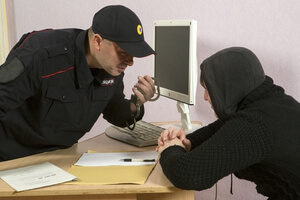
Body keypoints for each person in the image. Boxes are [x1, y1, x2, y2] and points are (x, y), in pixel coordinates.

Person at [0, 5, 156, 161]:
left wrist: (137, 103)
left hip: (59, 158)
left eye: (133, 55)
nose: (130, 63)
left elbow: (115, 112)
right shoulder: (41, 54)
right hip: (13, 159)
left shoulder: (111, 69)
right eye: (123, 53)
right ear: (97, 41)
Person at [156, 47, 300, 199]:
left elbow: (187, 174)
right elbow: (222, 128)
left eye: (208, 89)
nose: (205, 97)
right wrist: (188, 142)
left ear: (229, 86)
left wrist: (169, 149)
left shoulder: (255, 124)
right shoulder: (270, 102)